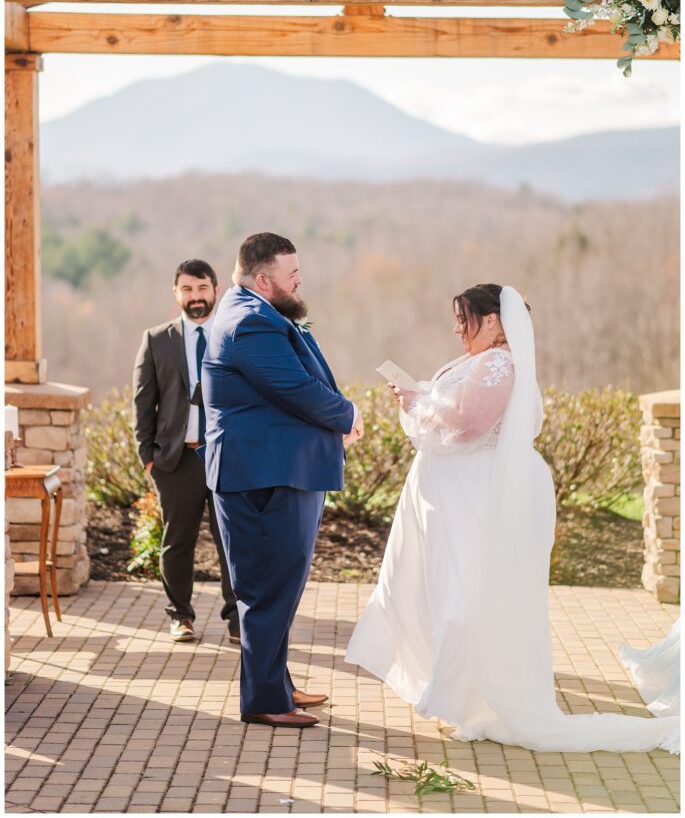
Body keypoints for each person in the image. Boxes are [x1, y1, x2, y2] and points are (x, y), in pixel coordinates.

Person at [346, 283, 679, 753]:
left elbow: (469, 422)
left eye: (465, 319)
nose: (457, 328)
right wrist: (420, 396)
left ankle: (476, 697)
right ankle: (457, 694)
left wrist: (418, 402)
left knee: (468, 593)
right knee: (444, 589)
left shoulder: (500, 362)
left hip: (476, 496)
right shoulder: (478, 360)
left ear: (496, 321)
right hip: (454, 494)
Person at [202, 233, 363, 729]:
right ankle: (265, 700)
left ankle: (278, 684)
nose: (300, 282)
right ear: (264, 280)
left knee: (277, 586)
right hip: (264, 473)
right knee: (269, 589)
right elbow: (293, 387)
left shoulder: (254, 311)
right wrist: (347, 414)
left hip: (272, 469)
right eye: (292, 276)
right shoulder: (250, 321)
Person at [133, 260, 239, 644]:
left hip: (226, 455)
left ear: (215, 289)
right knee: (178, 542)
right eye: (187, 290)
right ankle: (180, 616)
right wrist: (148, 457)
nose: (195, 297)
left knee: (231, 540)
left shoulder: (231, 334)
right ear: (176, 293)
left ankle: (236, 620)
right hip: (177, 460)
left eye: (202, 288)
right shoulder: (156, 339)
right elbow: (143, 403)